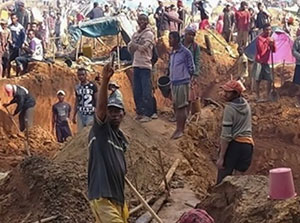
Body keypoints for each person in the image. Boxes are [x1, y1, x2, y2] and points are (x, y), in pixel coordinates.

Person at [88, 63, 129, 223]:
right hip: (102, 195)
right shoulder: (101, 131)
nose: (114, 114)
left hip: (118, 198)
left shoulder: (121, 140)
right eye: (111, 111)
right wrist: (105, 81)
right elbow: (101, 109)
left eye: (117, 111)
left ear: (123, 114)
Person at [216, 80, 253, 185]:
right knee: (238, 183)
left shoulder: (229, 108)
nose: (224, 94)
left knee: (221, 183)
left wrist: (221, 157)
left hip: (234, 146)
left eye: (228, 92)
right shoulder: (246, 105)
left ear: (235, 94)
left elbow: (226, 136)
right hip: (248, 146)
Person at [128, 14, 155, 122]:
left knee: (146, 91)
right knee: (137, 90)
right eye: (140, 19)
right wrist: (134, 46)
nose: (142, 21)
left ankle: (148, 114)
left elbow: (144, 48)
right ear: (137, 21)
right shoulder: (135, 34)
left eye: (144, 20)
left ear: (147, 21)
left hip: (145, 65)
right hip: (136, 64)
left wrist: (134, 45)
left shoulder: (149, 34)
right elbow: (130, 48)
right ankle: (140, 112)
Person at [168, 31, 195, 139]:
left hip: (182, 82)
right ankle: (178, 128)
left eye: (170, 39)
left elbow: (192, 68)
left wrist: (186, 78)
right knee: (176, 106)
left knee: (181, 107)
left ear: (176, 40)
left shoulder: (185, 53)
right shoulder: (173, 52)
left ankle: (180, 130)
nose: (169, 41)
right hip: (174, 82)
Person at [253, 23, 276, 102]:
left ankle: (268, 95)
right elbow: (261, 51)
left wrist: (272, 45)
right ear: (263, 30)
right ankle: (257, 96)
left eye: (270, 30)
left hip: (266, 62)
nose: (268, 31)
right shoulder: (259, 38)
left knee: (269, 79)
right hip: (259, 61)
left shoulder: (271, 38)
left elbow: (274, 50)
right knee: (258, 79)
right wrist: (267, 42)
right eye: (267, 30)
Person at [182, 26, 201, 115]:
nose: (191, 37)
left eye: (193, 35)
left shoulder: (195, 46)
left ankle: (187, 114)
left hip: (189, 73)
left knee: (189, 95)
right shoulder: (179, 44)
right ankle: (178, 114)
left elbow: (197, 60)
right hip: (179, 72)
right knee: (178, 95)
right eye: (189, 34)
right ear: (185, 35)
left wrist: (195, 74)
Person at [8, 13, 25, 78]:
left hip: (18, 47)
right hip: (11, 47)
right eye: (12, 18)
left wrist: (22, 44)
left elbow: (23, 37)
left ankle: (17, 74)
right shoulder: (10, 27)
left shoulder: (20, 28)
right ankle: (8, 74)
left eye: (14, 18)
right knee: (9, 60)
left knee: (18, 61)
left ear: (17, 18)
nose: (13, 20)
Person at [292, 30, 300, 107]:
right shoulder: (298, 40)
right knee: (298, 84)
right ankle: (298, 101)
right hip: (299, 64)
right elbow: (294, 51)